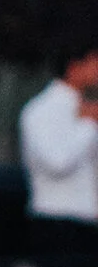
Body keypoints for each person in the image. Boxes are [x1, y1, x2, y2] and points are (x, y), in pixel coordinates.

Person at [19, 49, 98, 246]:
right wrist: (88, 125)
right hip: (57, 223)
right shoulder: (41, 110)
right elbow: (57, 162)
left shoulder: (87, 107)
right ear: (74, 66)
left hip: (88, 222)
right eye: (95, 62)